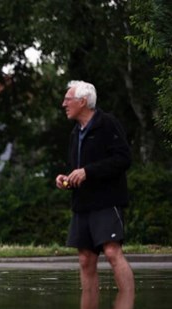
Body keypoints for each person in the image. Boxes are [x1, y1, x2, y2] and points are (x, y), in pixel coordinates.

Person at [55, 80, 135, 293]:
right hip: (83, 204)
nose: (64, 104)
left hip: (106, 202)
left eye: (67, 99)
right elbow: (78, 169)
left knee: (111, 252)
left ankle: (127, 306)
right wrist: (67, 178)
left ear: (83, 101)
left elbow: (123, 159)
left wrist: (88, 172)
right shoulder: (75, 133)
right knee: (85, 258)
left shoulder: (107, 124)